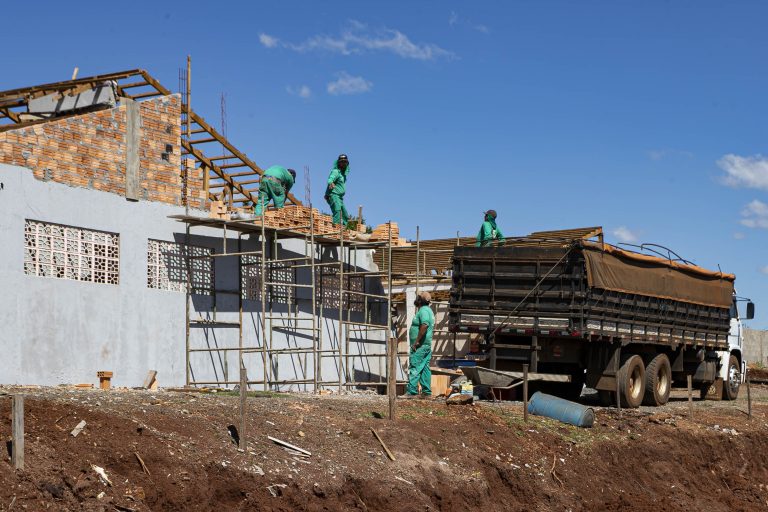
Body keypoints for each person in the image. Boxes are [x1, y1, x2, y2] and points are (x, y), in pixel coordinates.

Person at [406, 291, 435, 397]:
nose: (417, 298)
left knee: (415, 366)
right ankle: (426, 392)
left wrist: (416, 341)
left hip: (420, 346)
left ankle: (411, 392)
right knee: (424, 368)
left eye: (418, 297)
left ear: (421, 300)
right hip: (425, 345)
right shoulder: (428, 311)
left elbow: (425, 325)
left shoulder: (423, 311)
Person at [325, 154, 350, 225]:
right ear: (339, 163)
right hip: (334, 195)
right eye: (342, 162)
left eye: (345, 162)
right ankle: (335, 229)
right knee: (337, 211)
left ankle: (344, 230)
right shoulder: (336, 171)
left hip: (340, 197)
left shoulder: (343, 175)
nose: (343, 164)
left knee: (345, 214)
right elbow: (330, 179)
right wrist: (331, 183)